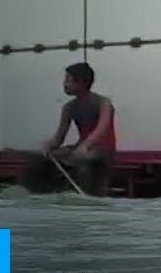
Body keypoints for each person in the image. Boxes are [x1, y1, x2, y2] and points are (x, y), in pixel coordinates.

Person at [21, 62, 116, 196]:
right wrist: (48, 146)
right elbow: (59, 138)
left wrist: (85, 146)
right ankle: (37, 196)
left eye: (67, 80)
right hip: (80, 148)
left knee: (81, 161)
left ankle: (86, 198)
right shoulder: (68, 107)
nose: (64, 84)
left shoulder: (103, 102)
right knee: (36, 159)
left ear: (81, 82)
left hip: (103, 149)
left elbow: (101, 130)